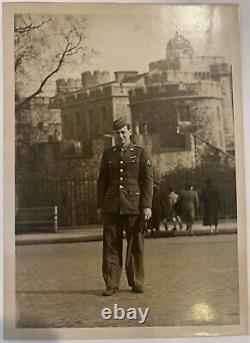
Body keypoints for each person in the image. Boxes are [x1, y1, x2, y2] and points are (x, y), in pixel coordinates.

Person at [97, 117, 154, 296]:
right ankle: (111, 284)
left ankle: (136, 282)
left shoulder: (140, 153)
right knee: (111, 244)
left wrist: (146, 205)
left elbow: (147, 181)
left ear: (129, 132)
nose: (121, 136)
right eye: (117, 133)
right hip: (112, 205)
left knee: (135, 244)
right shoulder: (108, 154)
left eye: (123, 132)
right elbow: (102, 181)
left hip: (134, 205)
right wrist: (100, 204)